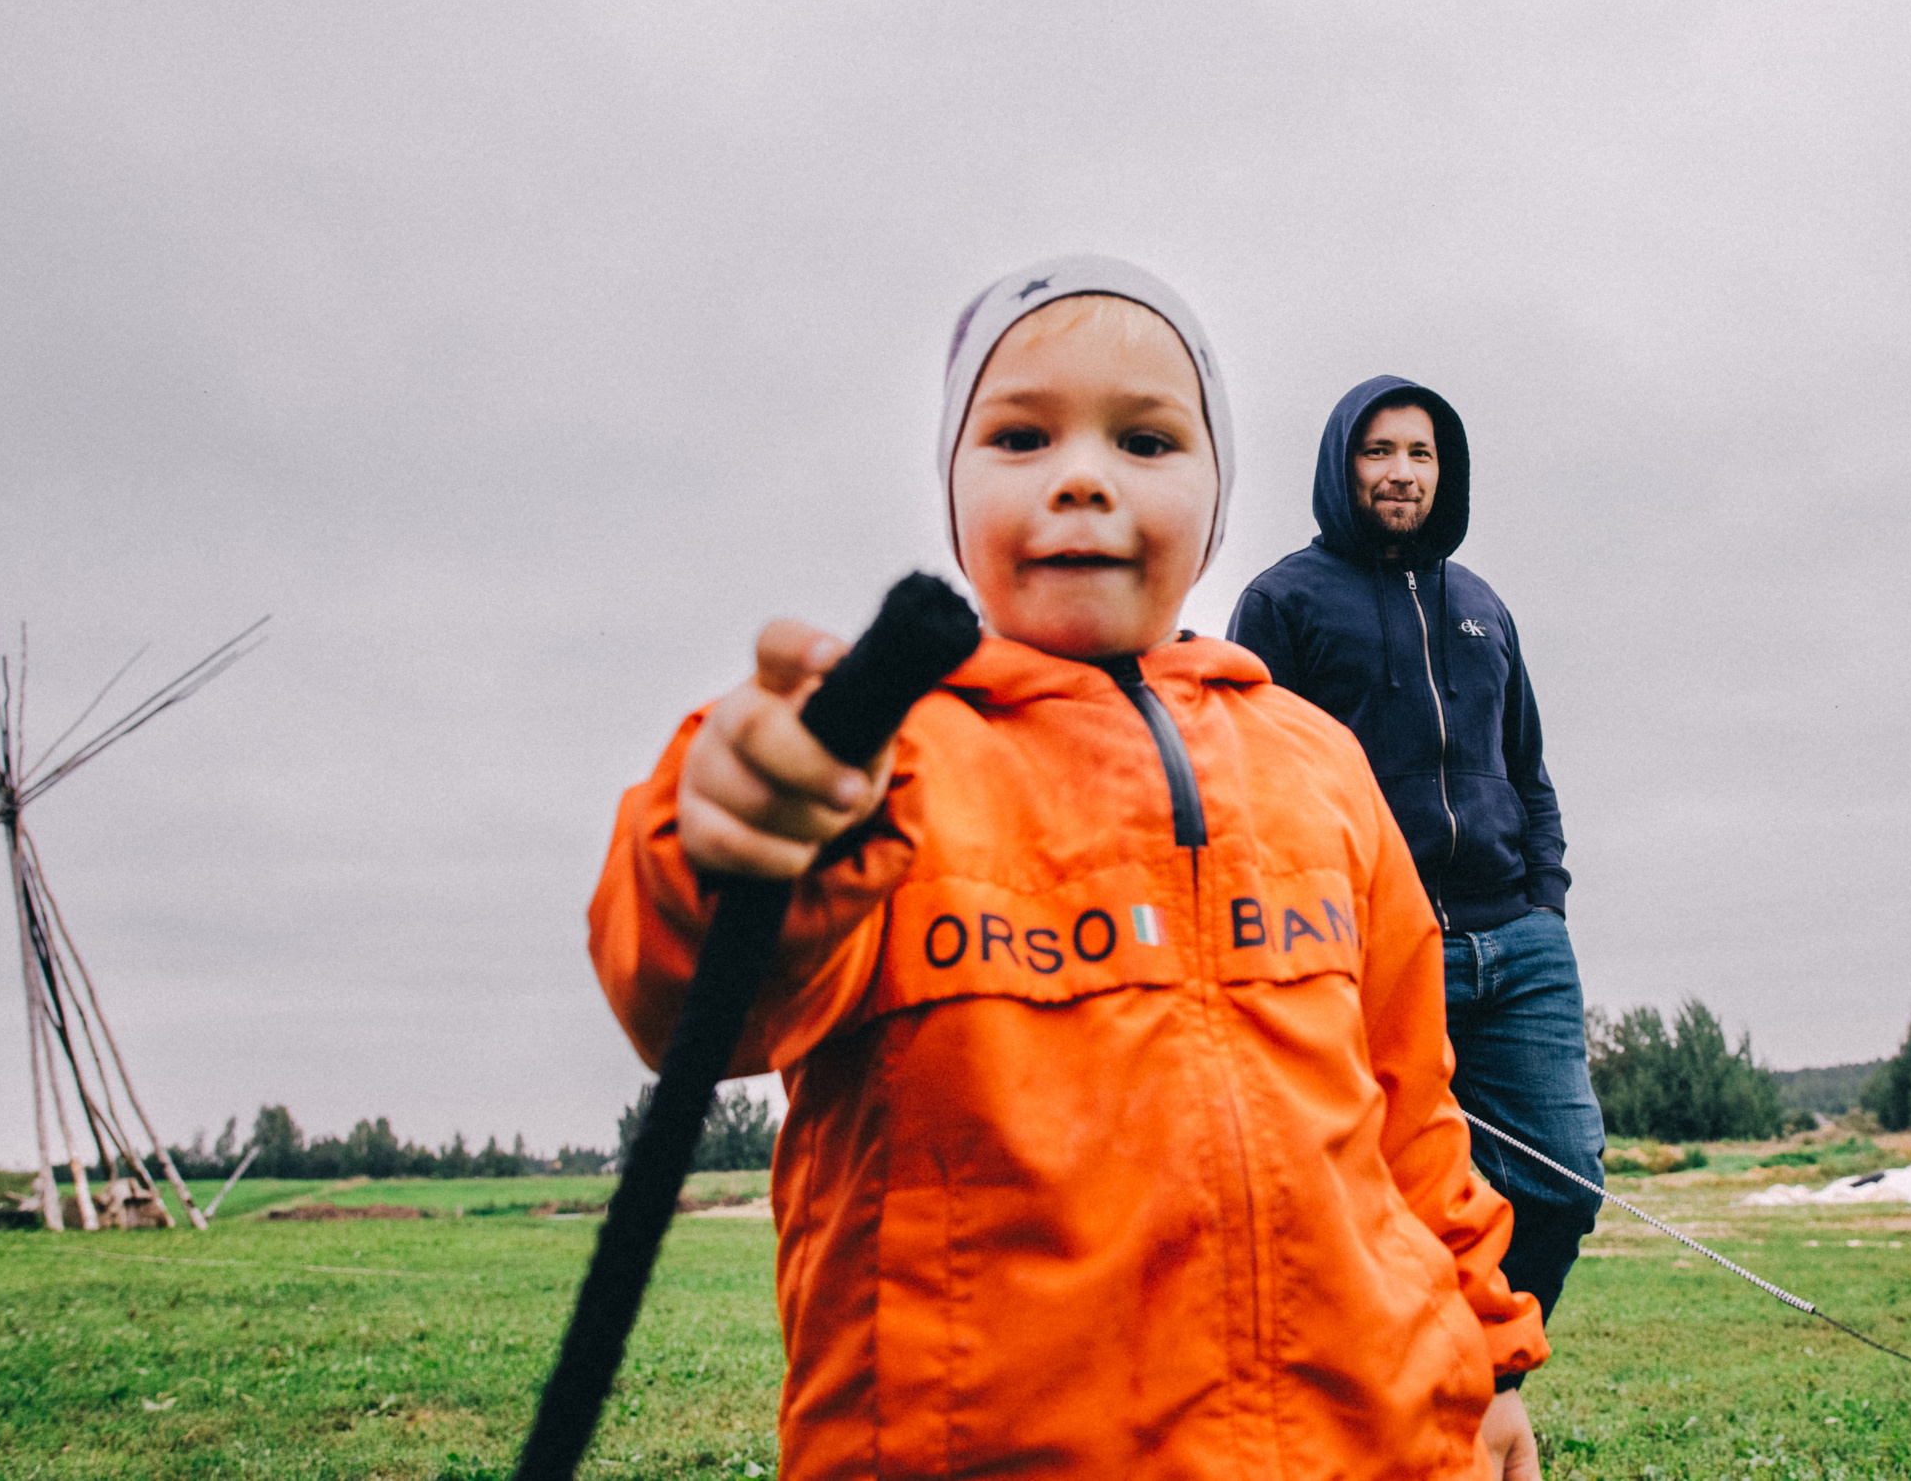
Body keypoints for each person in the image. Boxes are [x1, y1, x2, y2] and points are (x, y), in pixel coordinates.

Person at [587, 260, 1548, 1481]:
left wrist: (1490, 1361)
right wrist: (726, 835)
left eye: (1146, 441)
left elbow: (1412, 1109)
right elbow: (683, 1001)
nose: (1082, 477)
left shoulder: (1319, 761)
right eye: (1020, 437)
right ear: (953, 492)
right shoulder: (871, 763)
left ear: (1216, 497)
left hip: (1370, 1446)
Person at [1228, 377, 1604, 1331]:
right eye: (1379, 450)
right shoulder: (1281, 602)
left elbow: (1526, 766)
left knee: (1564, 1180)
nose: (1402, 472)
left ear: (1446, 471)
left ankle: (1479, 1364)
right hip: (1375, 948)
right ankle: (1406, 1381)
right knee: (1373, 1191)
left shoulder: (1482, 605)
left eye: (1421, 454)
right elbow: (1253, 785)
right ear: (1342, 464)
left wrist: (1545, 902)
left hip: (1515, 944)